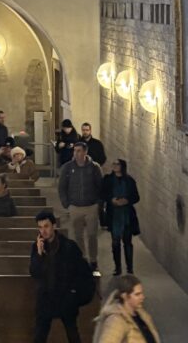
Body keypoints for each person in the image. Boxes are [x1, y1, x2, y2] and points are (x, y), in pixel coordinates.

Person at [30, 210, 91, 343]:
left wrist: (74, 293)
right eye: (40, 227)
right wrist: (39, 255)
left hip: (65, 298)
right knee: (40, 335)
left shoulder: (69, 246)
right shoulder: (37, 247)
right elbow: (34, 273)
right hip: (45, 299)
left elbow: (82, 271)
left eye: (46, 226)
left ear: (54, 226)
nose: (43, 231)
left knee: (72, 333)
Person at [58, 140, 103, 272]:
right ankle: (82, 259)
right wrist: (66, 204)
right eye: (75, 151)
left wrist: (98, 203)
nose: (76, 153)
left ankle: (93, 260)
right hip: (75, 206)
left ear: (85, 152)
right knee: (78, 235)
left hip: (91, 206)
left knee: (92, 235)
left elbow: (100, 186)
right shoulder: (68, 167)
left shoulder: (94, 167)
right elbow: (62, 187)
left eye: (78, 151)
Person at [92, 275, 160, 343]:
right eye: (137, 294)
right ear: (124, 296)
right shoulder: (116, 321)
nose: (142, 297)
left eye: (142, 293)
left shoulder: (142, 315)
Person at [102, 160, 141, 275]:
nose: (115, 166)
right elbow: (103, 194)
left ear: (122, 166)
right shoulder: (108, 180)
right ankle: (117, 267)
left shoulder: (129, 181)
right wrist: (111, 200)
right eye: (113, 164)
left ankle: (129, 267)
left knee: (127, 242)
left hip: (126, 215)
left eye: (117, 164)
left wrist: (127, 200)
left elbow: (136, 197)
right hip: (114, 214)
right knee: (115, 242)